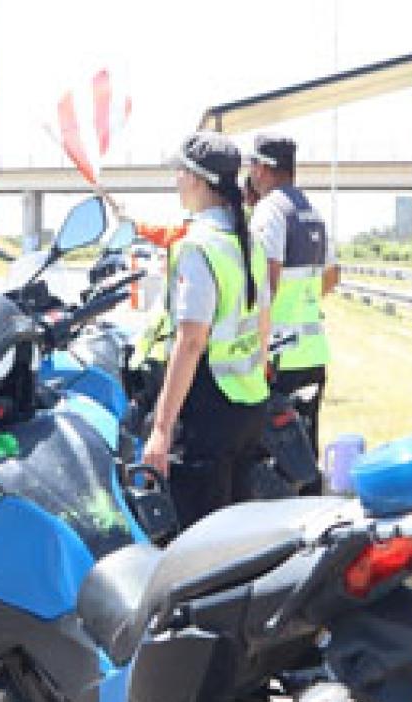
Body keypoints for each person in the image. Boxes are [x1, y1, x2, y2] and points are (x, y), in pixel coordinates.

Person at [140, 131, 271, 529]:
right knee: (235, 539)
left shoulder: (198, 246)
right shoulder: (248, 241)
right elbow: (263, 324)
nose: (176, 180)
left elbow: (192, 341)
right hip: (249, 405)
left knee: (198, 547)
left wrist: (161, 431)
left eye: (179, 172)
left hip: (206, 414)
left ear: (196, 178)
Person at [246, 135, 337, 488]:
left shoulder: (269, 211)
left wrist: (260, 345)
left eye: (252, 164)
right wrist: (304, 303)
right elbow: (332, 276)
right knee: (306, 451)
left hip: (279, 355)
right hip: (313, 352)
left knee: (276, 460)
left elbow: (264, 283)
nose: (250, 172)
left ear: (265, 167)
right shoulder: (311, 211)